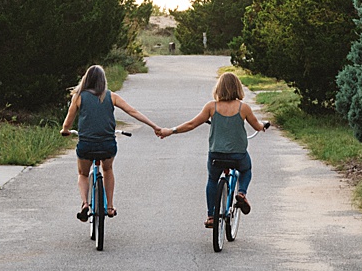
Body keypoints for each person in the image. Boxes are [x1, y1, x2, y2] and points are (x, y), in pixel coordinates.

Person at [159, 71, 266, 227]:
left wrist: (171, 130)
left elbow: (191, 124)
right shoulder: (244, 108)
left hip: (216, 154)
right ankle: (242, 193)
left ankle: (211, 216)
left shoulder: (211, 107)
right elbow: (257, 126)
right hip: (238, 155)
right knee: (246, 169)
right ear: (238, 88)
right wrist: (263, 126)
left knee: (212, 179)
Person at [61, 64, 162, 220]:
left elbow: (68, 121)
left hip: (86, 145)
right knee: (107, 170)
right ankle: (109, 207)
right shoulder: (111, 96)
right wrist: (154, 126)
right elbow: (133, 111)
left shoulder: (78, 97)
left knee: (83, 173)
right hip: (107, 145)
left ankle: (85, 204)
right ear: (103, 80)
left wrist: (65, 130)